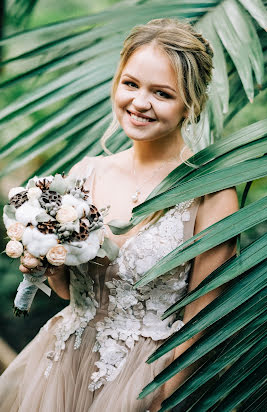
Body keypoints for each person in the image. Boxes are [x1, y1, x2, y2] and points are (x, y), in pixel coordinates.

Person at [0, 18, 238, 412]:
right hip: (63, 361)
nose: (140, 103)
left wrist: (167, 394)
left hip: (147, 375)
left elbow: (204, 320)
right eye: (131, 84)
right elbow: (72, 295)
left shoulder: (211, 193)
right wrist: (46, 262)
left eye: (161, 93)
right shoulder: (85, 174)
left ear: (190, 103)